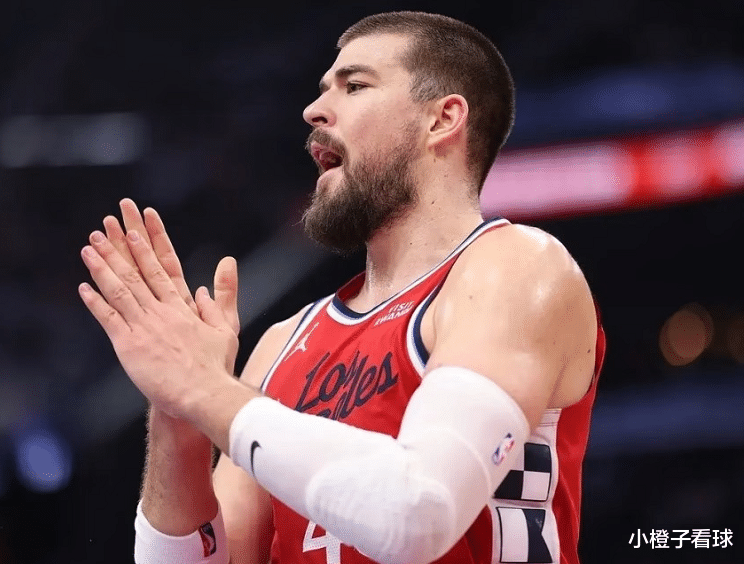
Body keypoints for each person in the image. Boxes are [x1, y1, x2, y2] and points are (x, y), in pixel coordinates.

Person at [78, 11, 605, 564]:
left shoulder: (517, 266)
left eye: (354, 86)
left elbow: (420, 515)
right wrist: (176, 414)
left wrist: (203, 389)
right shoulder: (282, 343)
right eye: (323, 88)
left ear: (442, 119)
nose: (314, 110)